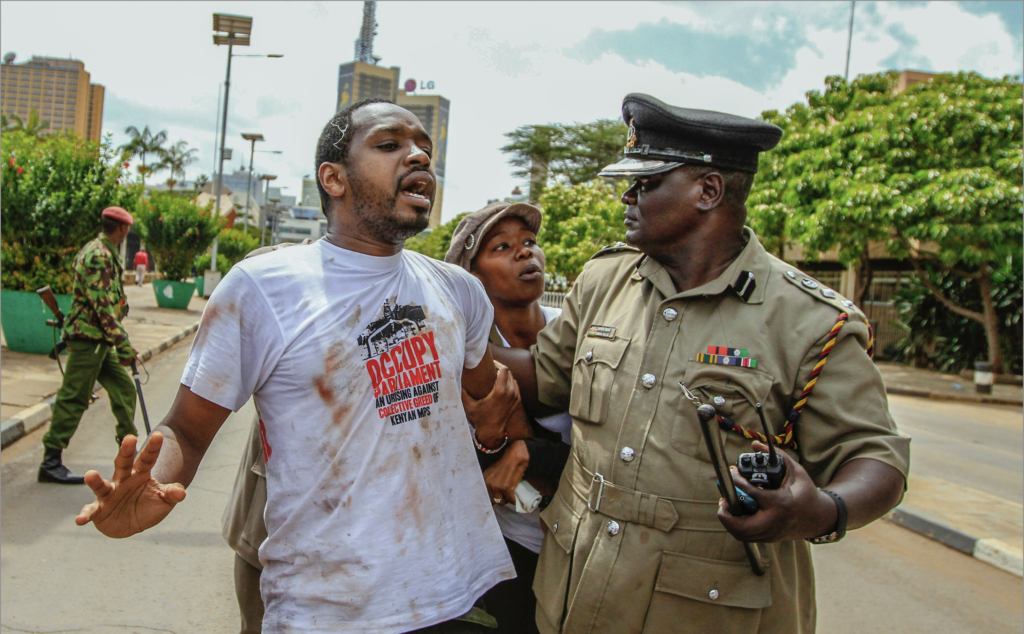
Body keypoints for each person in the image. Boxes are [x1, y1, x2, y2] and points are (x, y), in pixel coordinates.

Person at [76, 99, 517, 633]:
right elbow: (187, 431)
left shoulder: (459, 291)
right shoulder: (264, 288)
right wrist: (151, 487)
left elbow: (489, 401)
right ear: (333, 178)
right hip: (326, 608)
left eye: (424, 146)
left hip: (451, 595)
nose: (419, 155)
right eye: (389, 144)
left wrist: (496, 434)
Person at [491, 93, 911, 634]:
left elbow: (875, 459)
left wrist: (822, 511)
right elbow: (543, 378)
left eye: (645, 184)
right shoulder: (605, 282)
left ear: (708, 191)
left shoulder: (809, 320)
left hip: (705, 608)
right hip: (576, 591)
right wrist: (445, 335)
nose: (627, 196)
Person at [444, 202, 573, 634]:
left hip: (584, 548)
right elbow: (459, 463)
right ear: (472, 278)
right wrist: (496, 440)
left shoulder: (581, 334)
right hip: (511, 548)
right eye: (503, 247)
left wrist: (529, 451)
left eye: (530, 242)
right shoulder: (459, 360)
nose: (525, 253)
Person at [39, 206, 138, 484]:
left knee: (124, 390)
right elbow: (103, 305)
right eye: (126, 228)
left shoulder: (102, 251)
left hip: (99, 339)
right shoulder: (98, 255)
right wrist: (123, 344)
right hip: (88, 339)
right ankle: (50, 462)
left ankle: (128, 452)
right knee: (74, 397)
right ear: (121, 229)